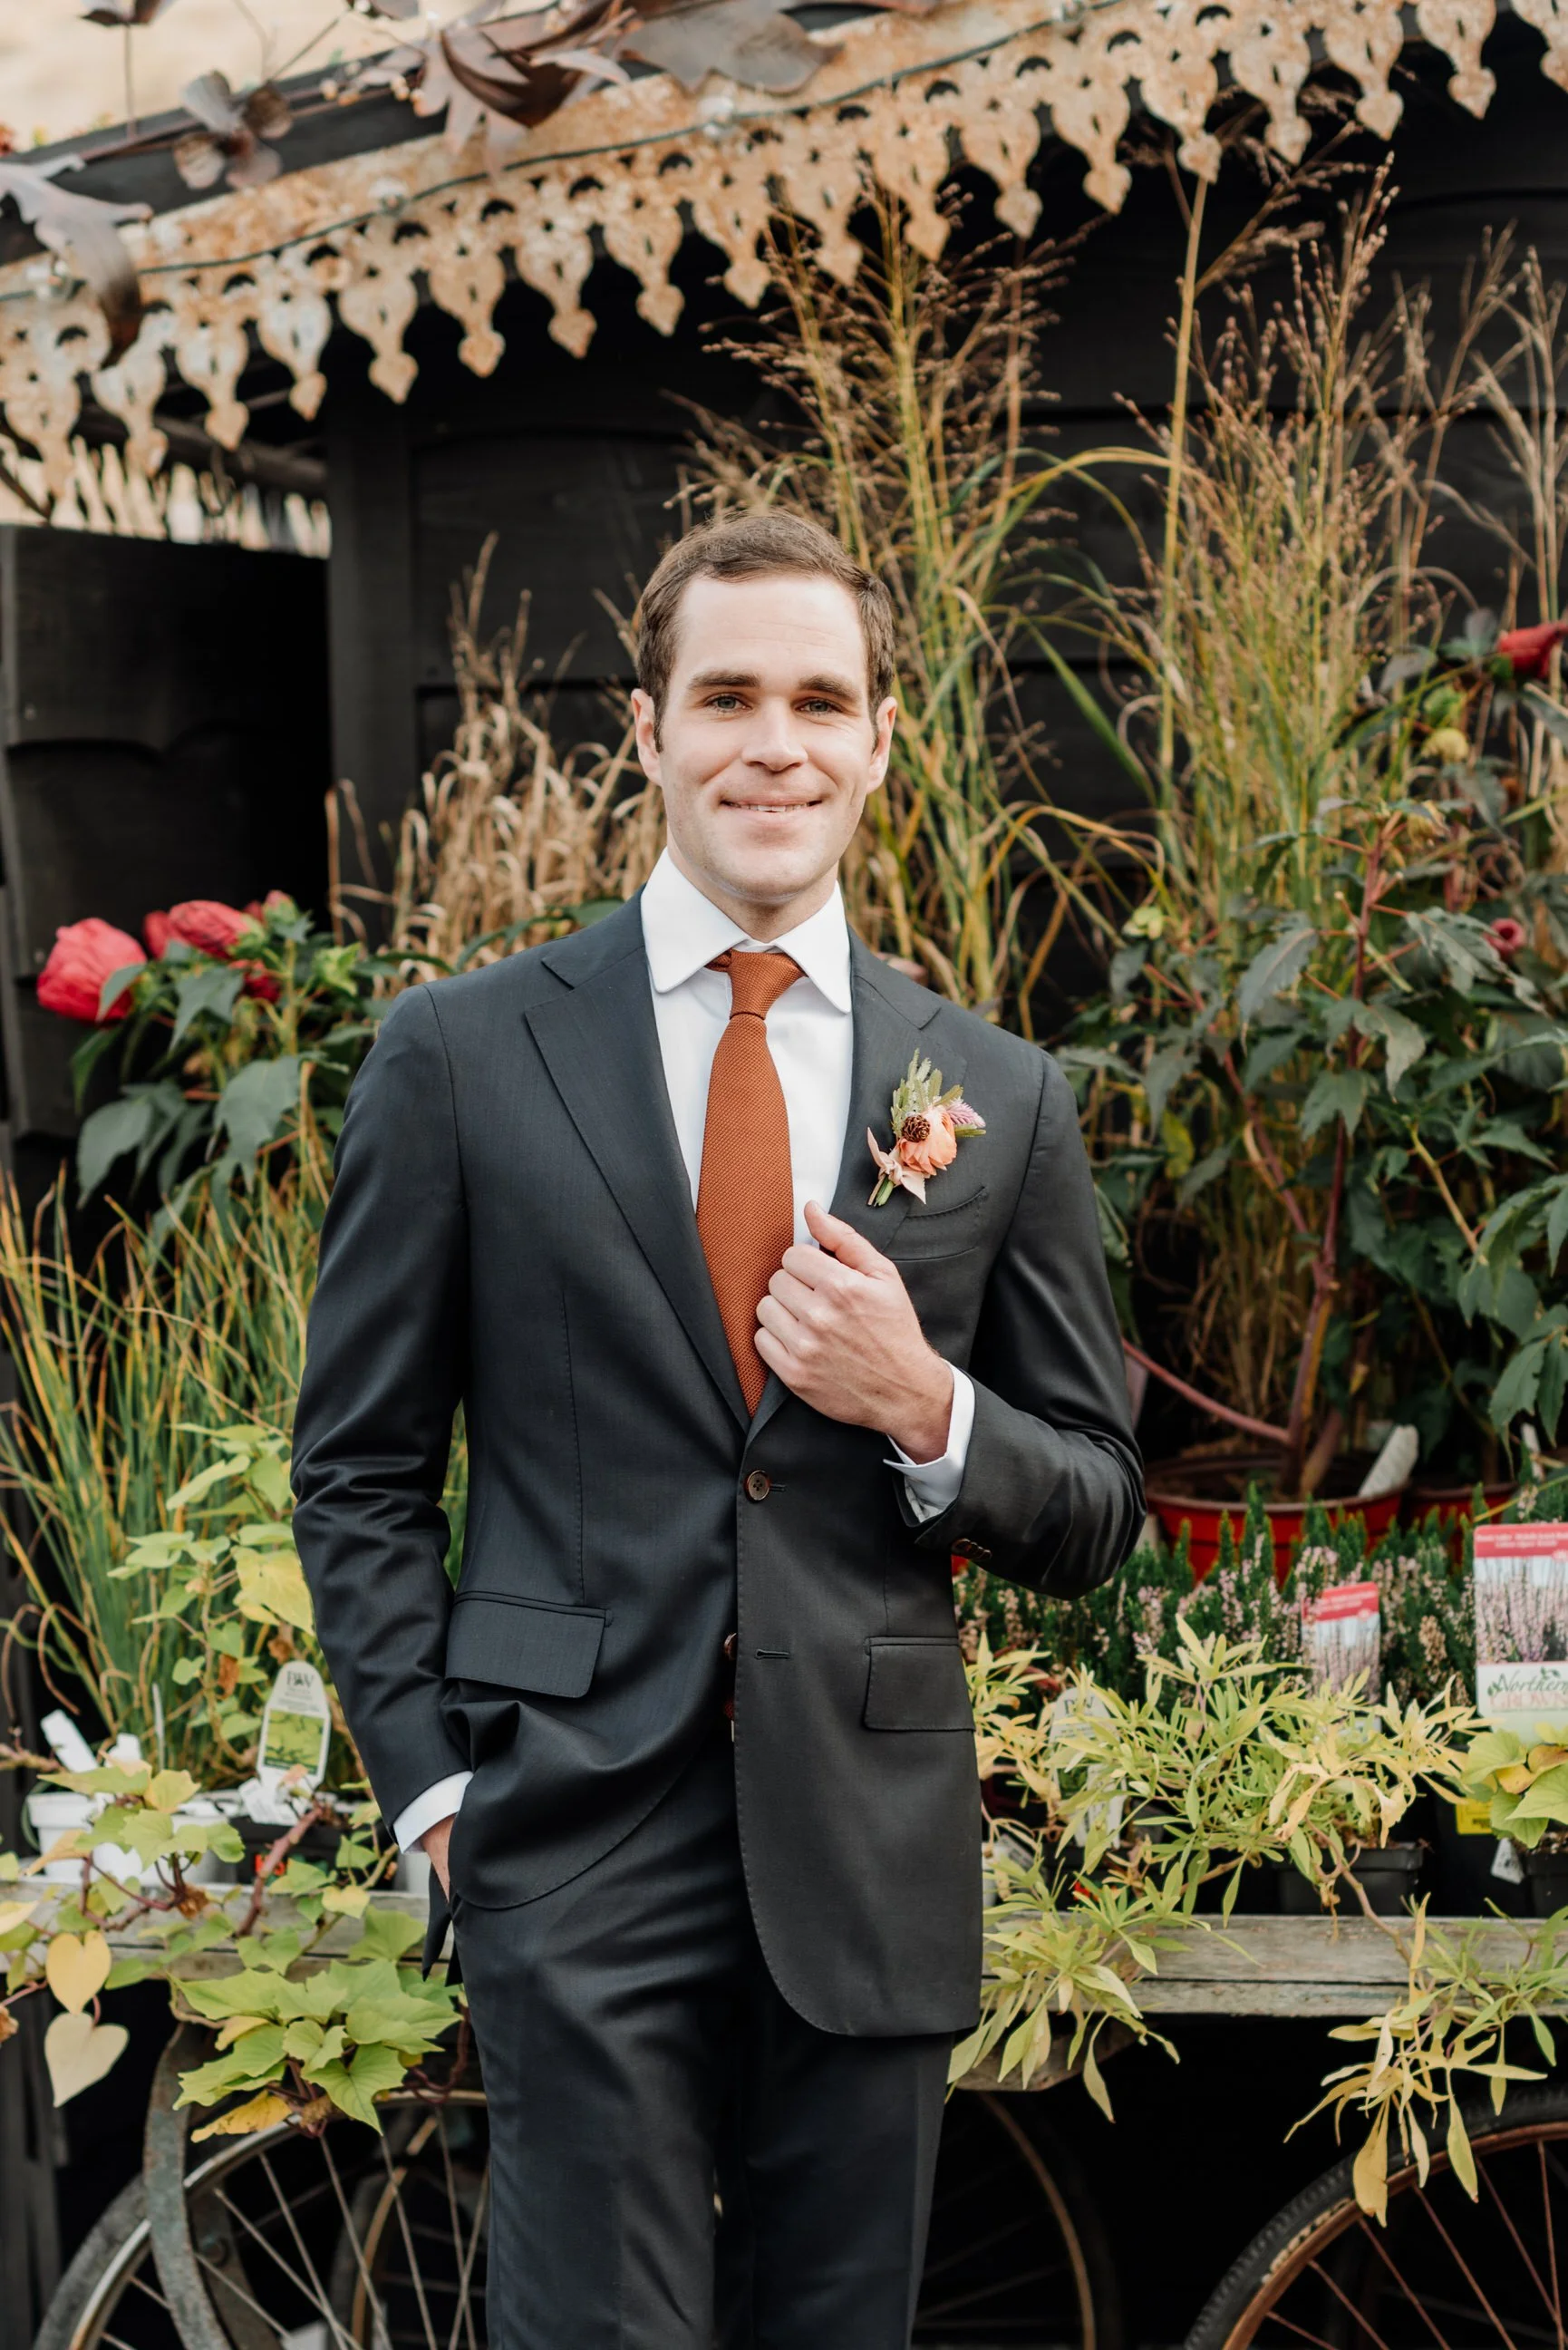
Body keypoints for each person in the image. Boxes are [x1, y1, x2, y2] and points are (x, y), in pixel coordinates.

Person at [292, 510, 1143, 2350]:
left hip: (865, 1853)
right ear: (654, 733)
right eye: (730, 695)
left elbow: (1092, 1502)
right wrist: (436, 1791)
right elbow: (357, 1465)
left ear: (878, 742)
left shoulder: (992, 1092)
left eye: (820, 699)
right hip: (568, 1846)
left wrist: (921, 1403)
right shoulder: (461, 1055)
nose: (777, 741)